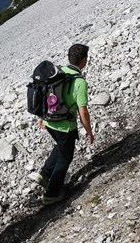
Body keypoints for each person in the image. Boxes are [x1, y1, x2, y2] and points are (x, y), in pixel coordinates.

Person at [35, 43, 94, 205]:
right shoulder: (80, 82)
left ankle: (45, 174)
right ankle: (52, 193)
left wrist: (41, 116)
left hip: (49, 121)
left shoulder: (58, 72)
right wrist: (89, 131)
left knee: (60, 145)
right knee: (65, 157)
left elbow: (46, 94)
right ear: (83, 60)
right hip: (65, 126)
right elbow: (83, 112)